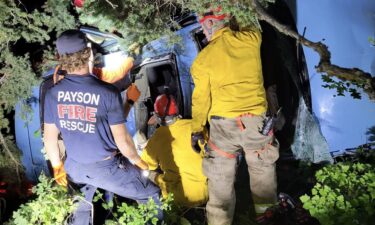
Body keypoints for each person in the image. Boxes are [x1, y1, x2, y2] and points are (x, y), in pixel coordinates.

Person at [43, 30, 162, 225]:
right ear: (88, 53)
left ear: (60, 58)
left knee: (87, 201)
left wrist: (57, 167)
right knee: (151, 193)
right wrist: (138, 161)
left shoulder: (53, 94)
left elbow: (50, 139)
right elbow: (122, 140)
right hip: (105, 167)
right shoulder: (106, 92)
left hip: (74, 168)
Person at [190, 8, 280, 225]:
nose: (203, 31)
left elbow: (201, 100)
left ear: (211, 23)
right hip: (256, 124)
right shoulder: (250, 39)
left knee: (220, 183)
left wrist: (196, 130)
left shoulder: (202, 60)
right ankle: (268, 218)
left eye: (204, 25)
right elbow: (246, 13)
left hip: (223, 129)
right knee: (262, 173)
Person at [139, 94, 208, 207]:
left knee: (149, 174)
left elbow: (145, 164)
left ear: (157, 115)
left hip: (177, 198)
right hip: (205, 192)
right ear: (177, 110)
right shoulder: (196, 127)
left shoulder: (158, 136)